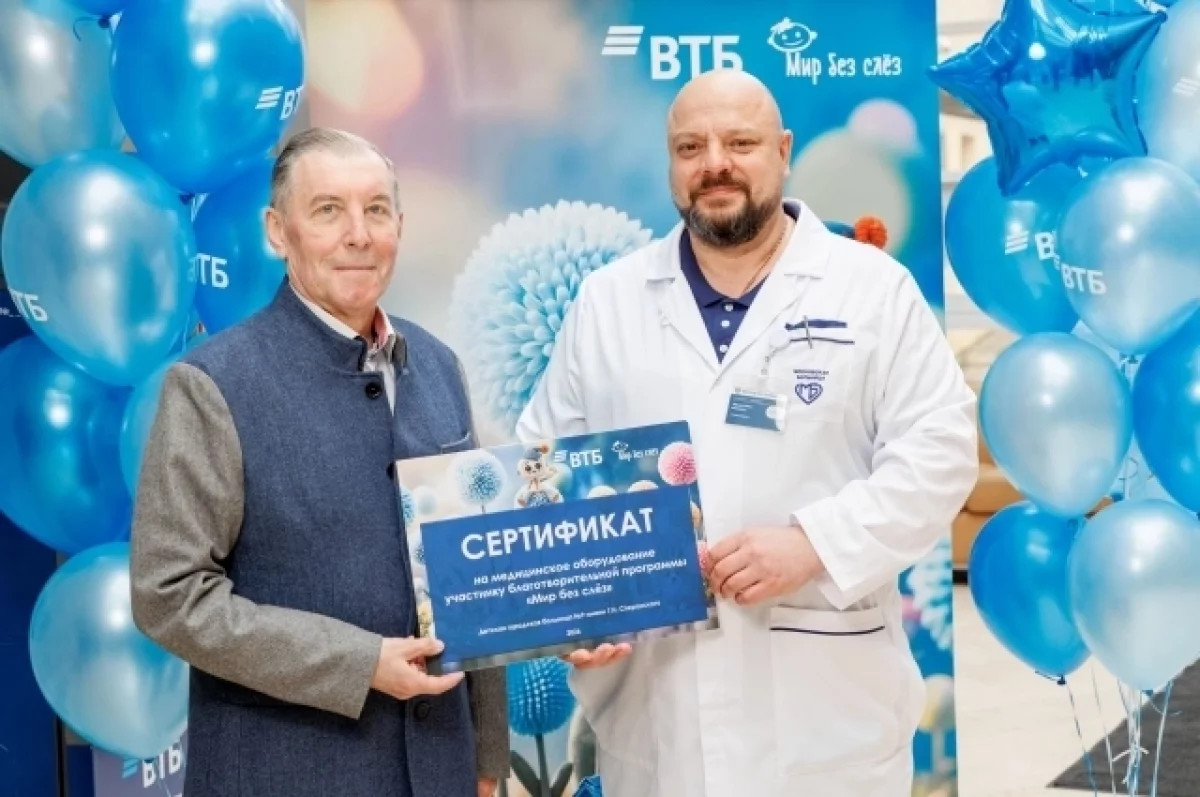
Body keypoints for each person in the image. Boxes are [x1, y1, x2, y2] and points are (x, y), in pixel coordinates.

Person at [515, 70, 978, 796]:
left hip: (826, 718)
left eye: (740, 143)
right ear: (670, 162)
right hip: (657, 723)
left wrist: (816, 543)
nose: (715, 164)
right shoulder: (607, 302)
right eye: (690, 147)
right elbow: (543, 471)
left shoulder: (872, 290)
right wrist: (573, 607)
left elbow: (940, 453)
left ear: (784, 151)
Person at [130, 127, 509, 797]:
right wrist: (358, 662)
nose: (358, 235)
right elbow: (169, 595)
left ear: (399, 226)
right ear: (278, 233)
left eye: (376, 210)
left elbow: (472, 575)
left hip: (441, 770)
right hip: (284, 772)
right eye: (328, 210)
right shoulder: (213, 385)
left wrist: (486, 759)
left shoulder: (440, 366)